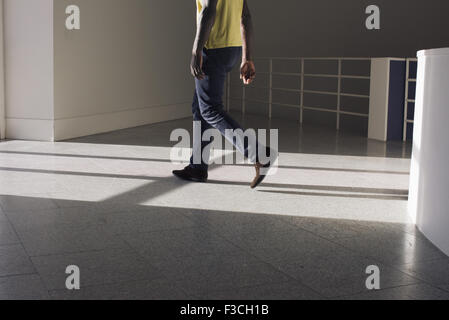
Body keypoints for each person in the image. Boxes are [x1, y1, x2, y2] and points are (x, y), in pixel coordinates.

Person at [173, 0, 276, 189]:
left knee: (210, 110)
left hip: (213, 47)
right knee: (200, 107)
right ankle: (197, 167)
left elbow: (209, 11)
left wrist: (196, 51)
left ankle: (259, 154)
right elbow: (245, 17)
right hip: (233, 50)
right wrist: (247, 58)